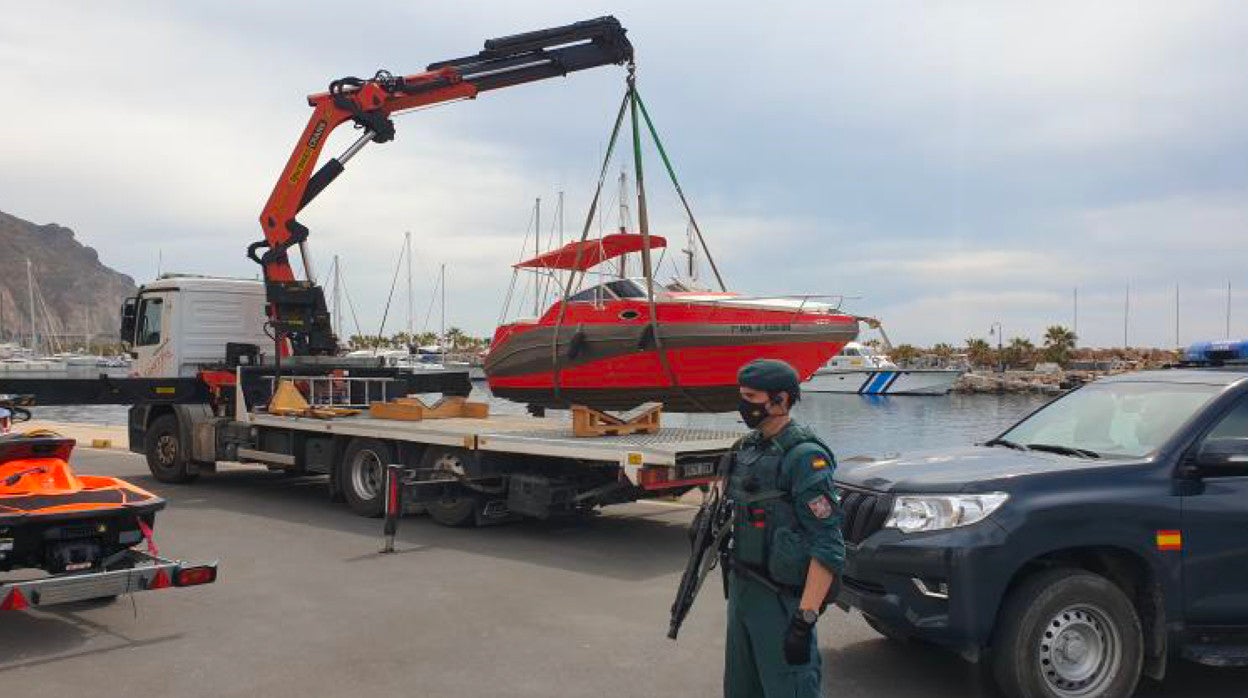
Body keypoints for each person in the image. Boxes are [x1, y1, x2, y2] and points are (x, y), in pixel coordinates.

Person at [723, 358, 845, 698]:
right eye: (741, 395)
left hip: (782, 602)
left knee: (789, 688)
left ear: (780, 401)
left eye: (751, 397)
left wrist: (803, 621)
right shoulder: (749, 448)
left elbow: (828, 544)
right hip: (744, 593)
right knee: (741, 688)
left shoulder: (804, 457)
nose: (743, 404)